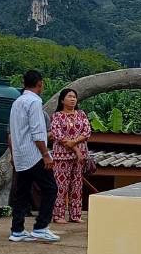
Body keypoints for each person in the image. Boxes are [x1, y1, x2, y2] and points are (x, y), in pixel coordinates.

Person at [8, 70, 59, 243]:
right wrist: (46, 154)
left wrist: (14, 154)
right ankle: (41, 227)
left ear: (24, 83)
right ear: (40, 83)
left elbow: (12, 132)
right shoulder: (34, 102)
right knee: (51, 189)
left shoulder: (17, 102)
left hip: (20, 154)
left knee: (21, 193)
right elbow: (37, 132)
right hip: (34, 154)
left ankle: (17, 230)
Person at [49, 89, 92, 223]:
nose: (73, 99)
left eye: (74, 97)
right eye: (69, 97)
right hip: (62, 156)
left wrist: (74, 142)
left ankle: (75, 215)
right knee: (61, 186)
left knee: (77, 185)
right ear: (62, 100)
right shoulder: (56, 116)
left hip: (79, 157)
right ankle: (58, 215)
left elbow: (87, 131)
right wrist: (76, 149)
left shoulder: (82, 114)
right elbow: (58, 135)